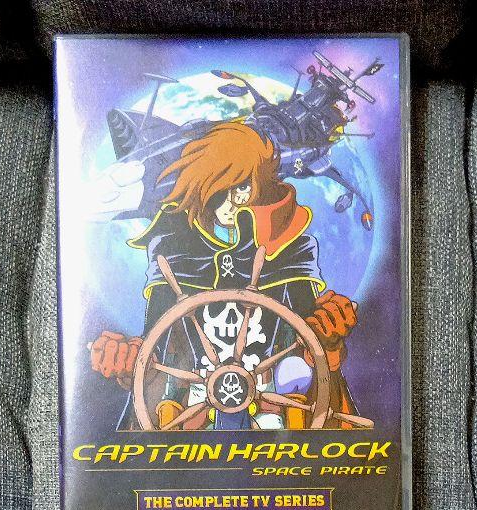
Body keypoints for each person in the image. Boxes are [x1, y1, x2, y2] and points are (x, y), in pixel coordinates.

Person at [89, 120, 359, 430]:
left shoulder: (290, 248)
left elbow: (309, 340)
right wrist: (126, 358)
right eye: (224, 188)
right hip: (190, 407)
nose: (237, 199)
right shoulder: (172, 249)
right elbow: (157, 346)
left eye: (244, 185)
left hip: (275, 406)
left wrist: (330, 333)